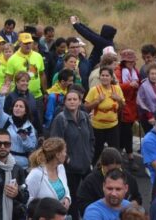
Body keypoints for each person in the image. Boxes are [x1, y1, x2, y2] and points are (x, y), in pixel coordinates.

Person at [48, 87, 93, 219]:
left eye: (75, 99)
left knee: (89, 194)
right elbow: (55, 143)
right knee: (71, 197)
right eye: (69, 99)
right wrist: (67, 160)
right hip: (70, 168)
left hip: (86, 164)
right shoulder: (60, 119)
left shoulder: (85, 117)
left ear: (80, 101)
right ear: (65, 102)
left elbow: (91, 138)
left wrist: (90, 155)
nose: (72, 102)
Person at [76, 148, 142, 216]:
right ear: (102, 166)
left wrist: (132, 205)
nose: (114, 173)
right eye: (110, 170)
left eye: (118, 169)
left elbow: (137, 197)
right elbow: (82, 203)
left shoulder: (129, 178)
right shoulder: (90, 181)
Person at [84, 66, 124, 163]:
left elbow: (123, 105)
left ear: (111, 77)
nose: (104, 77)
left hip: (113, 126)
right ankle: (92, 167)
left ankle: (115, 168)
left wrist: (118, 99)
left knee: (114, 151)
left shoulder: (117, 89)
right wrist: (97, 101)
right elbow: (86, 107)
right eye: (102, 75)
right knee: (97, 151)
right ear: (99, 77)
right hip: (98, 127)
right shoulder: (94, 90)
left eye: (107, 75)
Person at [25, 137, 71, 210]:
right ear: (57, 155)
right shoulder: (36, 174)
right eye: (64, 151)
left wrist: (67, 198)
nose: (65, 154)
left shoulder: (61, 167)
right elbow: (27, 201)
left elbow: (66, 189)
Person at [115, 49, 140, 167]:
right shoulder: (118, 71)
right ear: (124, 62)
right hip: (122, 106)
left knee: (126, 131)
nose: (131, 63)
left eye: (132, 61)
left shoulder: (135, 71)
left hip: (132, 105)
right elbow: (117, 86)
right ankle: (129, 156)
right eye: (128, 61)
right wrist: (129, 85)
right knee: (125, 131)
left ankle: (121, 154)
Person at [5, 33, 46, 105]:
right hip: (19, 98)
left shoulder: (38, 56)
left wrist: (45, 92)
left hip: (37, 96)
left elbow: (42, 75)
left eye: (30, 43)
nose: (28, 45)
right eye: (25, 43)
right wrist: (7, 95)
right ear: (20, 43)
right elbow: (8, 79)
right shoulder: (12, 59)